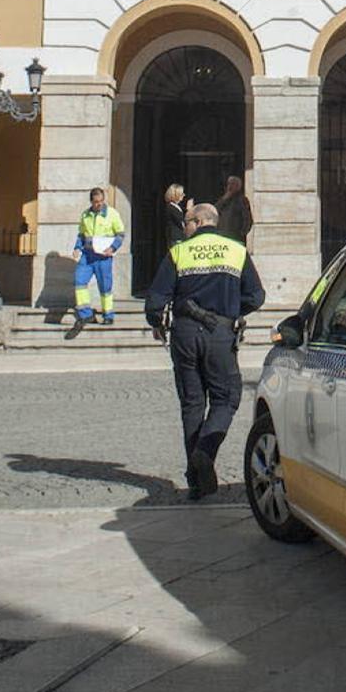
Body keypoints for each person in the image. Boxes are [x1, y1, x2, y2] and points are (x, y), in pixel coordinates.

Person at [145, 203, 265, 500]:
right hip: (220, 334)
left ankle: (195, 481)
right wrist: (232, 312)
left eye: (186, 221)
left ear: (198, 222)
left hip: (184, 333)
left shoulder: (179, 252)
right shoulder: (236, 250)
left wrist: (156, 322)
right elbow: (256, 295)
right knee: (226, 398)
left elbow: (155, 300)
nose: (184, 226)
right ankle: (205, 452)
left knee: (192, 405)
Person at [67, 187, 126, 339]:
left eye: (101, 201)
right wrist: (76, 248)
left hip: (103, 256)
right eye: (96, 202)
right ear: (91, 201)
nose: (99, 204)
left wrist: (113, 248)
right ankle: (86, 314)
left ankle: (108, 315)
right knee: (79, 282)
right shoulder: (85, 215)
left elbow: (120, 234)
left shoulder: (112, 214)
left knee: (105, 286)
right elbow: (81, 234)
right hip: (87, 255)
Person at [215, 175, 253, 244]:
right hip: (221, 236)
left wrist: (242, 233)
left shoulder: (242, 200)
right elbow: (214, 211)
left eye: (233, 184)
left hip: (235, 237)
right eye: (229, 184)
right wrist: (224, 198)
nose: (230, 186)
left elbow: (247, 219)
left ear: (238, 186)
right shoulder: (223, 199)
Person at [162, 183, 192, 247]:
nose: (184, 195)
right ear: (176, 195)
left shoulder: (177, 206)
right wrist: (188, 210)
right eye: (182, 194)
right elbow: (180, 220)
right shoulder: (170, 207)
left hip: (179, 237)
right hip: (176, 237)